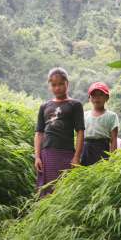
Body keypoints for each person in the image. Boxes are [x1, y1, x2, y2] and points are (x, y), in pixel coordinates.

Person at [34, 67, 85, 197]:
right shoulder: (44, 106)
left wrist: (76, 157)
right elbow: (39, 133)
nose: (57, 88)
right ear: (50, 86)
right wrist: (37, 156)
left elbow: (80, 131)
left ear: (67, 83)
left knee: (66, 192)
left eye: (61, 84)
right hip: (47, 154)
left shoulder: (75, 105)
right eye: (54, 85)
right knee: (46, 193)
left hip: (67, 153)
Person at [80, 82, 119, 166]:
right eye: (94, 95)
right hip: (86, 150)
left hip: (103, 149)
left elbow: (113, 140)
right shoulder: (84, 115)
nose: (97, 98)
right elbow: (80, 137)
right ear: (89, 98)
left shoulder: (112, 116)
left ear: (107, 97)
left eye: (100, 95)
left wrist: (112, 159)